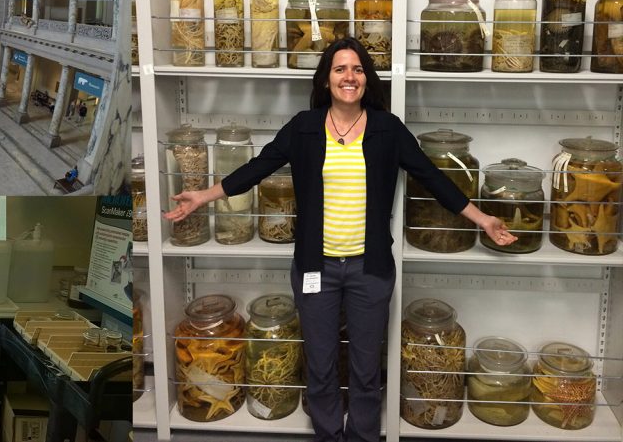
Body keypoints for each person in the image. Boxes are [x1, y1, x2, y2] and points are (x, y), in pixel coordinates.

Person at [165, 37, 516, 442]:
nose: (349, 77)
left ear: (366, 78)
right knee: (321, 364)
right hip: (317, 268)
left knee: (367, 368)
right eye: (340, 69)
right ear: (326, 79)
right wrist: (203, 196)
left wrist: (483, 219)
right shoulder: (305, 127)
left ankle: (364, 436)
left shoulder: (387, 129)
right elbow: (256, 167)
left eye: (357, 69)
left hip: (370, 270)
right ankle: (329, 434)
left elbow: (434, 179)